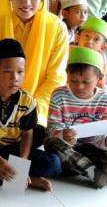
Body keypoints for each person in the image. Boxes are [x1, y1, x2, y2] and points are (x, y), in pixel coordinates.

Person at [0, 39, 62, 191]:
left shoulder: (27, 100)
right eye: (8, 71)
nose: (15, 78)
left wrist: (21, 164)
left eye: (20, 72)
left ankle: (14, 176)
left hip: (16, 149)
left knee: (53, 163)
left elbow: (27, 134)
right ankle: (25, 180)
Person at [45, 47, 107, 188]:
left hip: (93, 149)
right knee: (52, 143)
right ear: (66, 74)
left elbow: (103, 132)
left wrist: (105, 141)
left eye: (86, 82)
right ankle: (93, 173)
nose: (79, 86)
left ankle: (83, 168)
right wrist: (63, 134)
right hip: (68, 150)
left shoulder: (104, 99)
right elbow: (51, 129)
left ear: (99, 79)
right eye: (73, 80)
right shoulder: (59, 95)